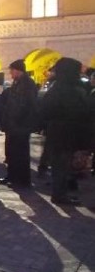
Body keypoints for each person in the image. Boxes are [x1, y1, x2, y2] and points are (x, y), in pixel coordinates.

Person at [38, 57, 92, 205]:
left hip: (56, 131)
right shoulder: (76, 90)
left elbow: (44, 110)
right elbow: (84, 112)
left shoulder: (56, 88)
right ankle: (60, 195)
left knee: (59, 165)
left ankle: (59, 193)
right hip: (70, 132)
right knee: (63, 165)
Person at [0, 59, 38, 188]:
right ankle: (13, 176)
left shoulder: (26, 84)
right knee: (12, 151)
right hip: (15, 124)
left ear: (18, 70)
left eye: (11, 70)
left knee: (19, 152)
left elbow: (24, 105)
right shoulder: (18, 83)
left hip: (20, 124)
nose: (10, 73)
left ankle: (20, 179)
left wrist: (15, 118)